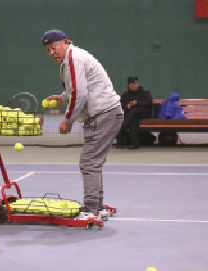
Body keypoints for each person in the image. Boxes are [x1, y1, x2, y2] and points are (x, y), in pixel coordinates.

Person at [42, 29, 123, 220]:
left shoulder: (74, 59)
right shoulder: (73, 57)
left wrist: (68, 120)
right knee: (93, 163)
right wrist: (62, 98)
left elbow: (80, 94)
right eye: (47, 50)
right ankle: (98, 207)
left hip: (102, 114)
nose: (51, 52)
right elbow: (80, 88)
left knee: (89, 163)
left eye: (53, 47)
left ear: (64, 42)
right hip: (107, 113)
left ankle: (91, 210)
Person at [120, 76, 153, 149]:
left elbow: (149, 103)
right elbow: (119, 104)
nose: (132, 86)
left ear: (137, 84)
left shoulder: (145, 92)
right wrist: (126, 105)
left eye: (134, 84)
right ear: (128, 85)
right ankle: (134, 143)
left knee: (134, 110)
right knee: (134, 120)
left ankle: (123, 128)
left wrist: (137, 102)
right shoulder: (125, 95)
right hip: (131, 116)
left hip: (144, 113)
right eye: (131, 84)